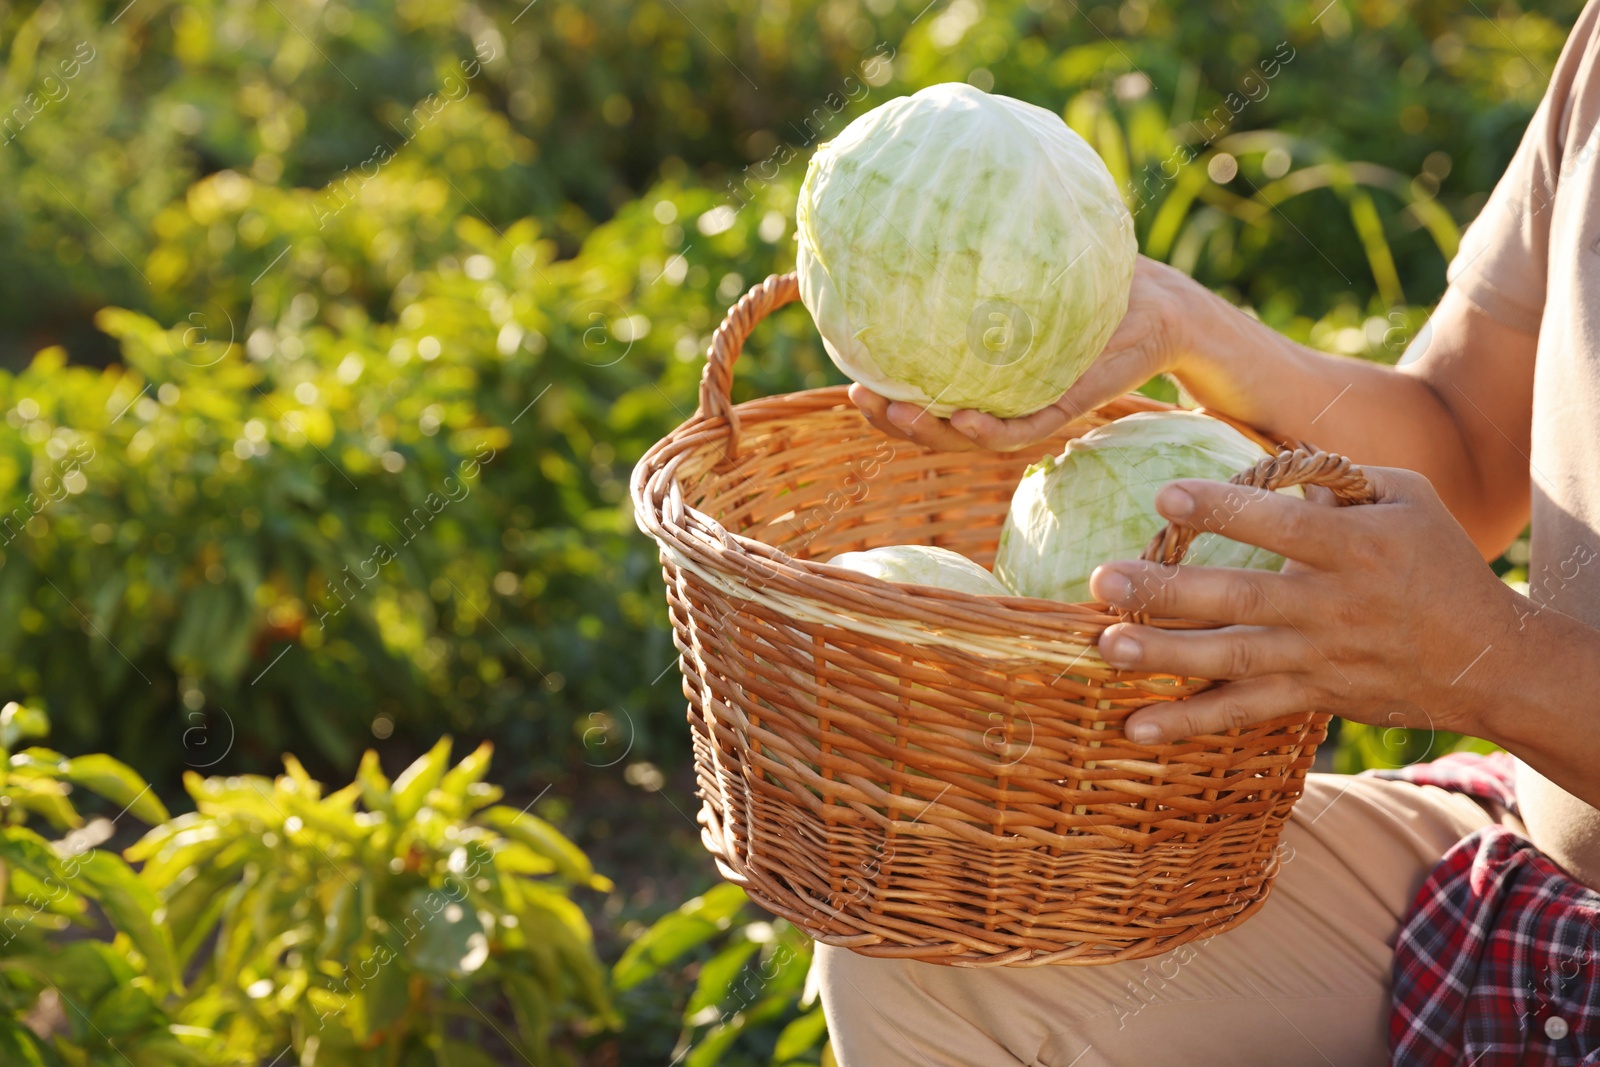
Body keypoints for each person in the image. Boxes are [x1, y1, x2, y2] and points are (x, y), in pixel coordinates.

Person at [815, 7, 1600, 1065]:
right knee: (925, 959)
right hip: (1538, 846)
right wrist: (1189, 327)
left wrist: (1493, 665)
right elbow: (1466, 450)